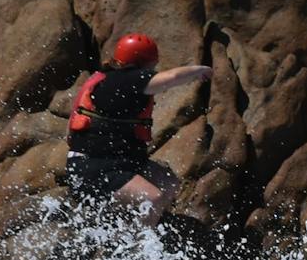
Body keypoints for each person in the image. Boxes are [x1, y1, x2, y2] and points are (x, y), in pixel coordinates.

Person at [64, 33, 211, 225]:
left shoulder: (109, 78)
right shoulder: (127, 81)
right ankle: (138, 247)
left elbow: (69, 133)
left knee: (169, 183)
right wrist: (200, 70)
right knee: (153, 198)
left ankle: (137, 222)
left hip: (117, 161)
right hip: (94, 169)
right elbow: (171, 78)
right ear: (145, 63)